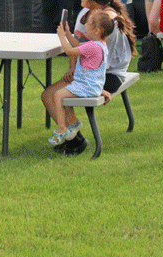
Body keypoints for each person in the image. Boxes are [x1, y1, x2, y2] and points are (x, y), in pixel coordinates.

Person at [42, 0, 136, 155]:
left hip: (107, 74)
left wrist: (95, 85)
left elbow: (102, 60)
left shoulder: (107, 22)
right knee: (50, 94)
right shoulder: (86, 15)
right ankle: (73, 136)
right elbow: (78, 42)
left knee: (51, 95)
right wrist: (72, 68)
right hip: (88, 71)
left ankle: (74, 140)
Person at [41, 9, 115, 155]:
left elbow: (70, 51)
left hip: (85, 85)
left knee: (57, 95)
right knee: (58, 94)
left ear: (98, 30)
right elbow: (77, 46)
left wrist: (61, 36)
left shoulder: (93, 46)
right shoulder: (98, 45)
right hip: (91, 83)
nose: (84, 26)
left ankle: (62, 128)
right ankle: (73, 125)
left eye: (88, 24)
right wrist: (68, 34)